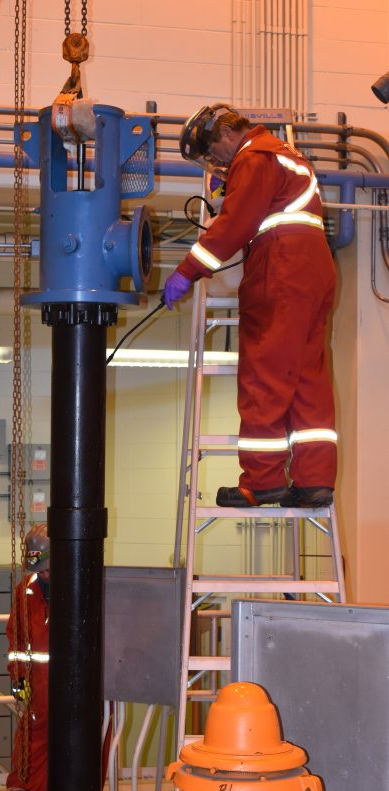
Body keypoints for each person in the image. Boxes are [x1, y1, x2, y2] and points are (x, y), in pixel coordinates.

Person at [163, 104, 338, 509]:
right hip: (314, 271)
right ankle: (314, 481)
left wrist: (186, 271)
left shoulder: (252, 158)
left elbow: (235, 224)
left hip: (281, 271)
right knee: (307, 379)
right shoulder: (285, 156)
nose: (216, 163)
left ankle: (261, 481)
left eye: (213, 153)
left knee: (264, 375)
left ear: (225, 135)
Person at [6, 524, 50, 791]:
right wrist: (18, 679)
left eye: (48, 568)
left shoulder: (84, 587)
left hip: (80, 698)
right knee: (27, 758)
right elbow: (17, 642)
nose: (43, 574)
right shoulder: (27, 590)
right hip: (39, 695)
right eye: (39, 568)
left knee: (84, 763)